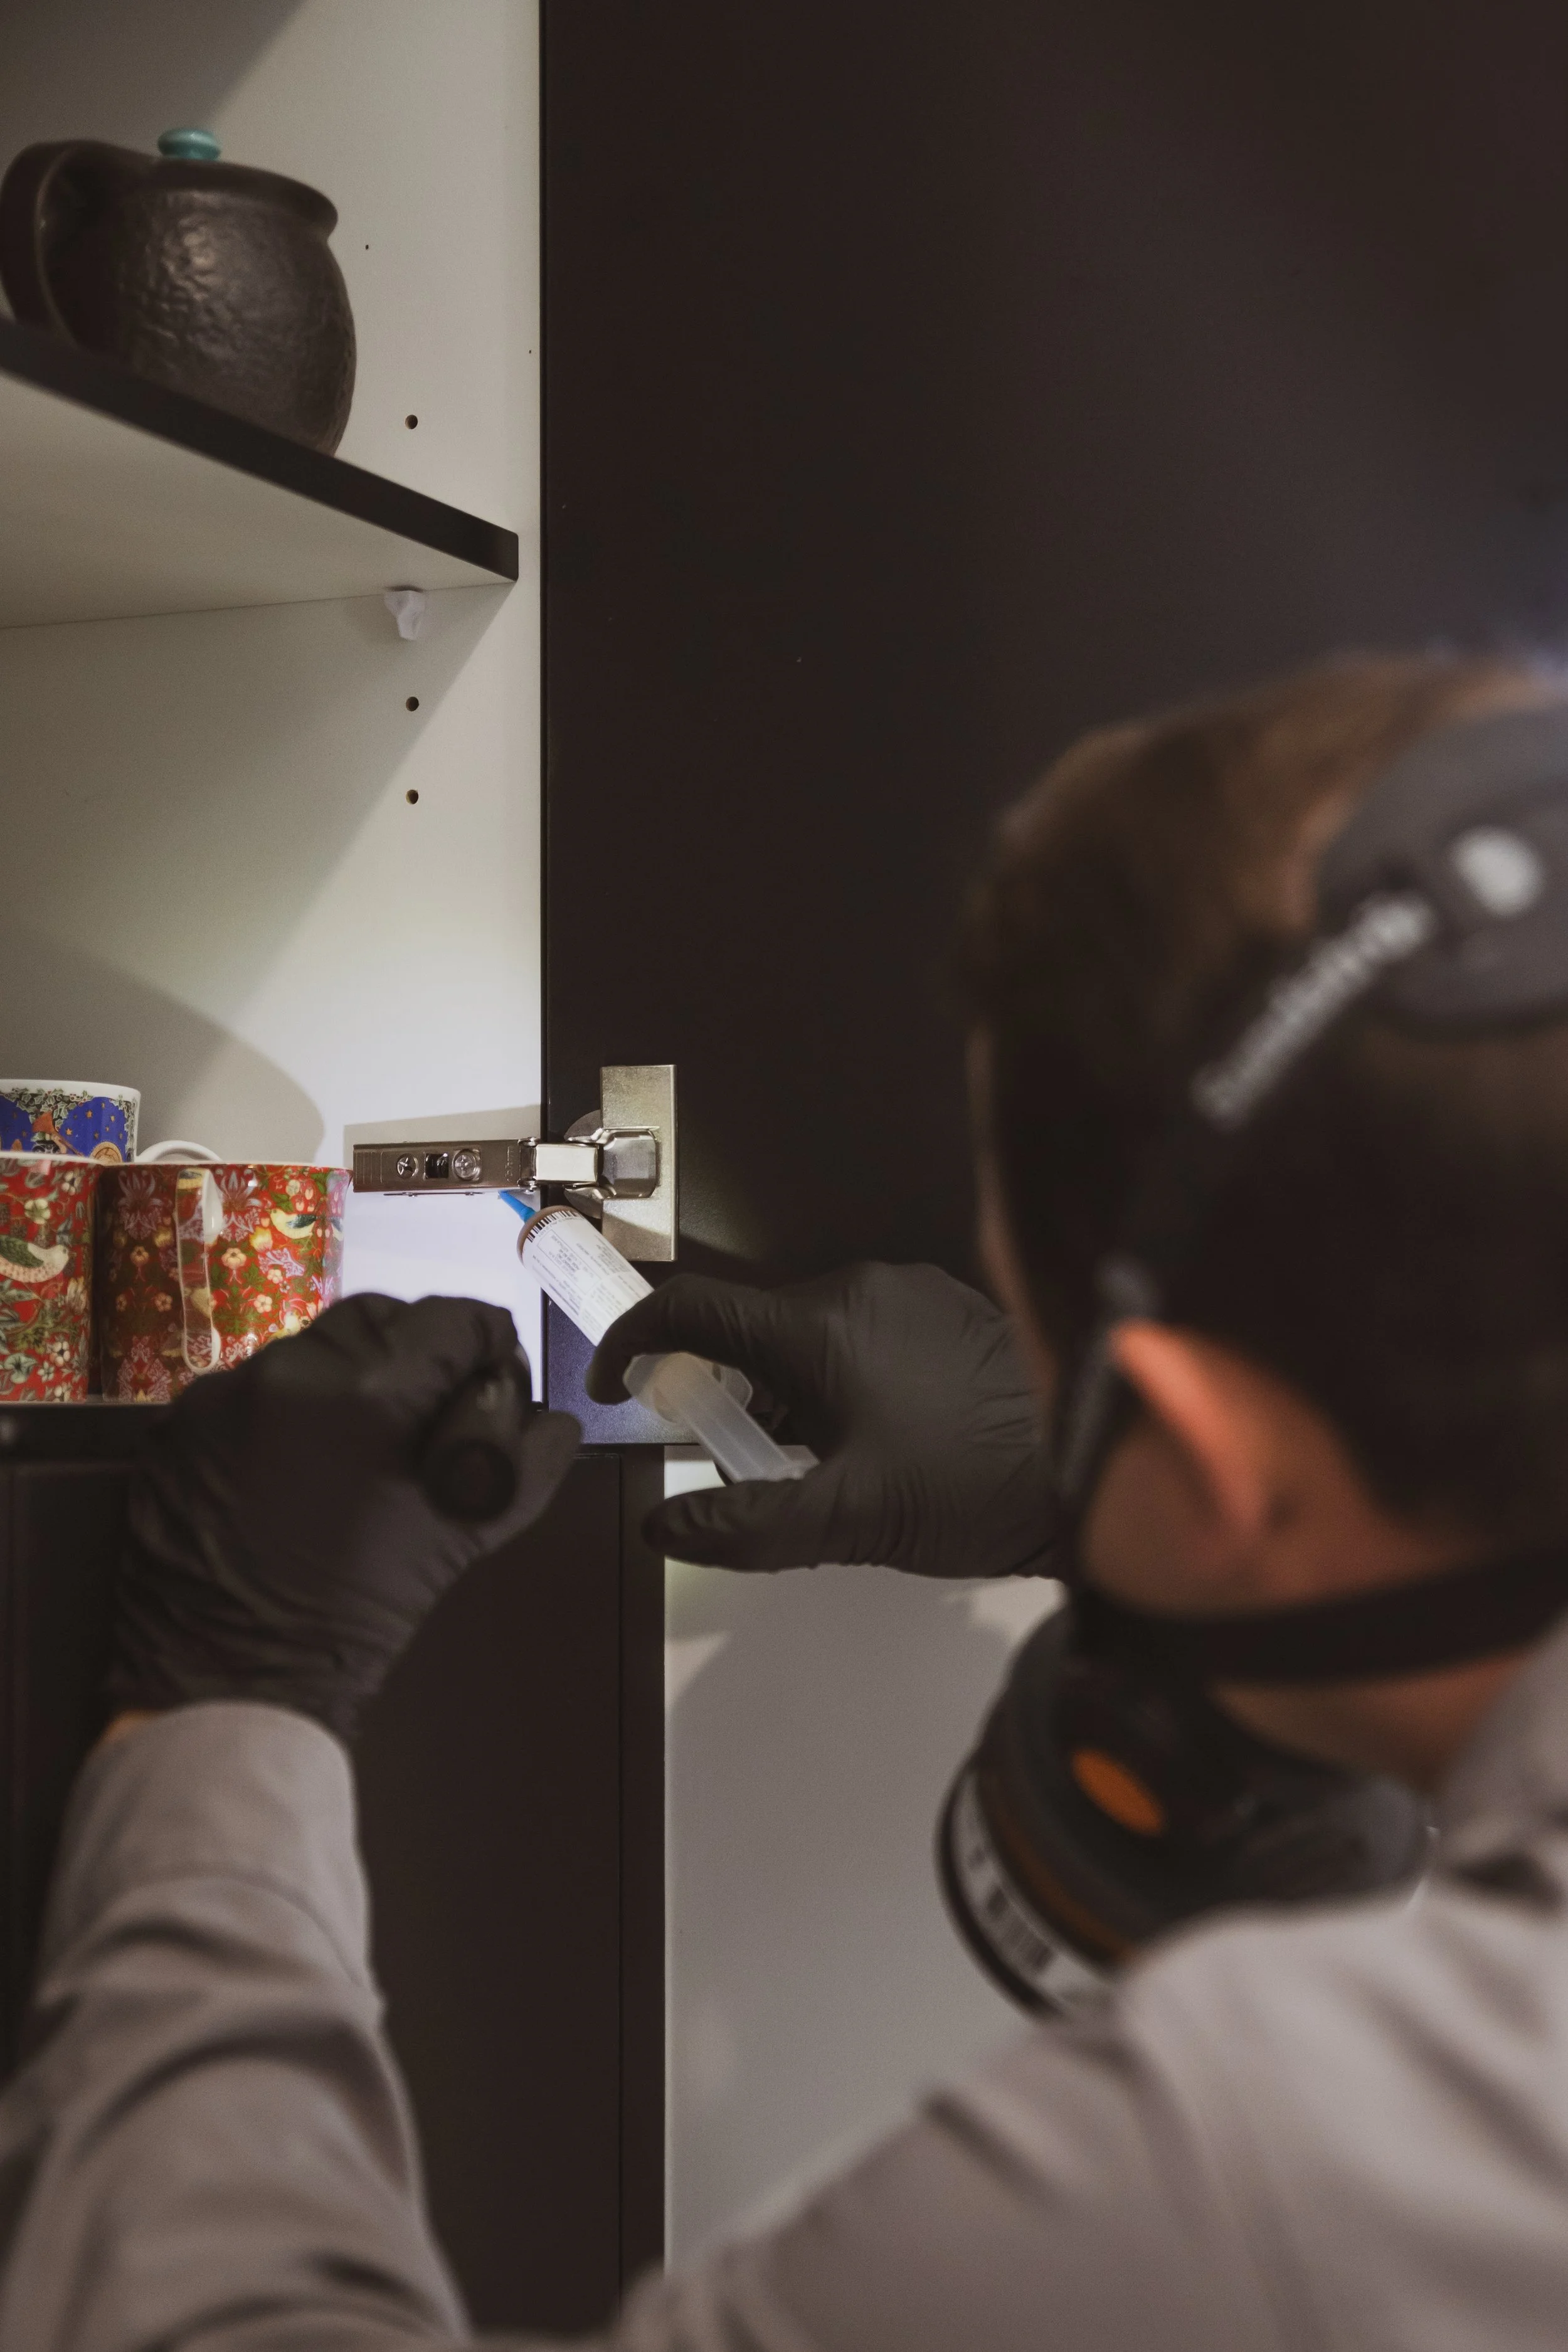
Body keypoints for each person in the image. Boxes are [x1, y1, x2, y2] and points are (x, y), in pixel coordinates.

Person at [3, 647, 1568, 2348]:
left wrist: (229, 1709)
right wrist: (1076, 1485)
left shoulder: (1263, 2161)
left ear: (1207, 1467)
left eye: (1064, 1381)